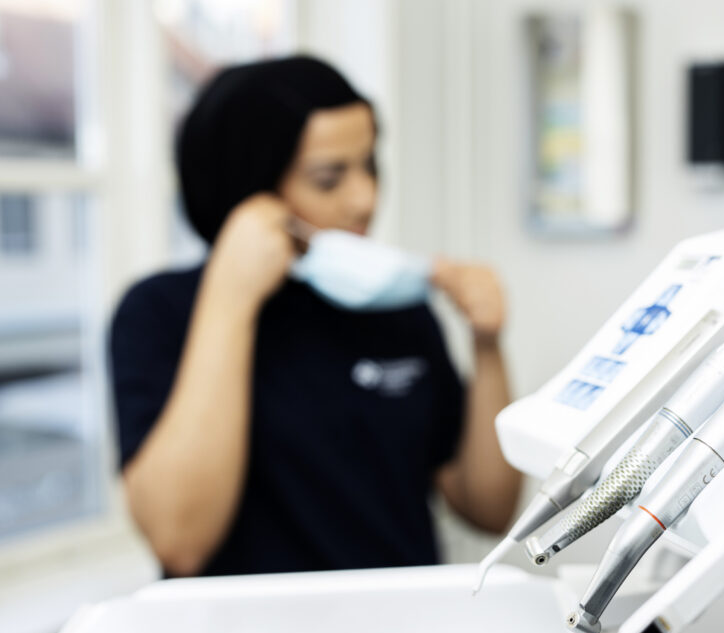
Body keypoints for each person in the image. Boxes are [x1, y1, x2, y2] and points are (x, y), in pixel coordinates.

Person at [109, 56, 522, 577]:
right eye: (330, 179)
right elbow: (180, 542)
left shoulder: (397, 308)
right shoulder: (158, 313)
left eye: (370, 165)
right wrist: (231, 297)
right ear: (249, 192)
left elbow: (489, 508)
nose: (365, 199)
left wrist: (487, 347)